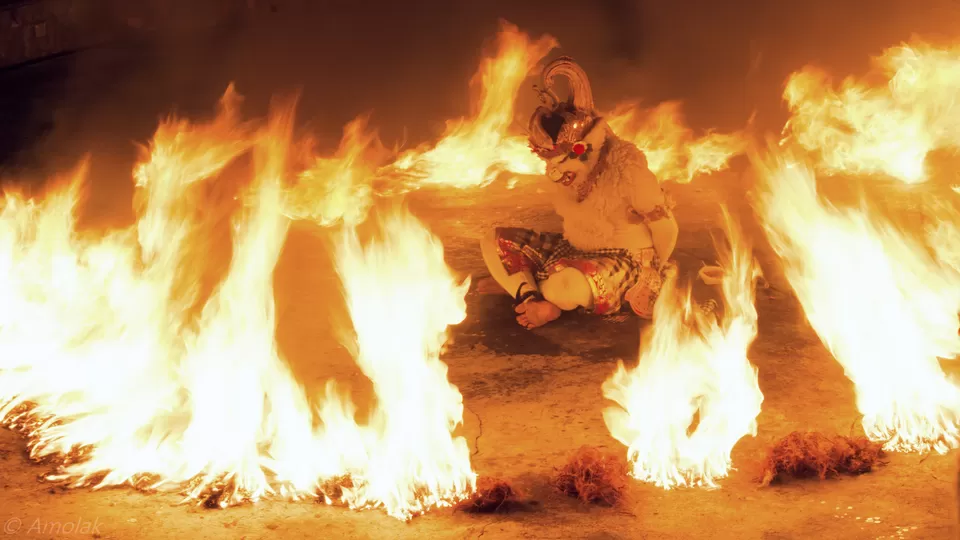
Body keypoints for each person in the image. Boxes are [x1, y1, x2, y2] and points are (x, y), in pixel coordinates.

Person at [479, 57, 679, 329]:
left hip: (624, 260)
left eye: (561, 162)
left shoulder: (628, 171)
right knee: (494, 241)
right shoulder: (566, 174)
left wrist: (652, 273)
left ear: (586, 148)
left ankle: (533, 290)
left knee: (563, 286)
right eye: (549, 162)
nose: (554, 171)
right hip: (573, 249)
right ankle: (531, 297)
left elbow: (667, 228)